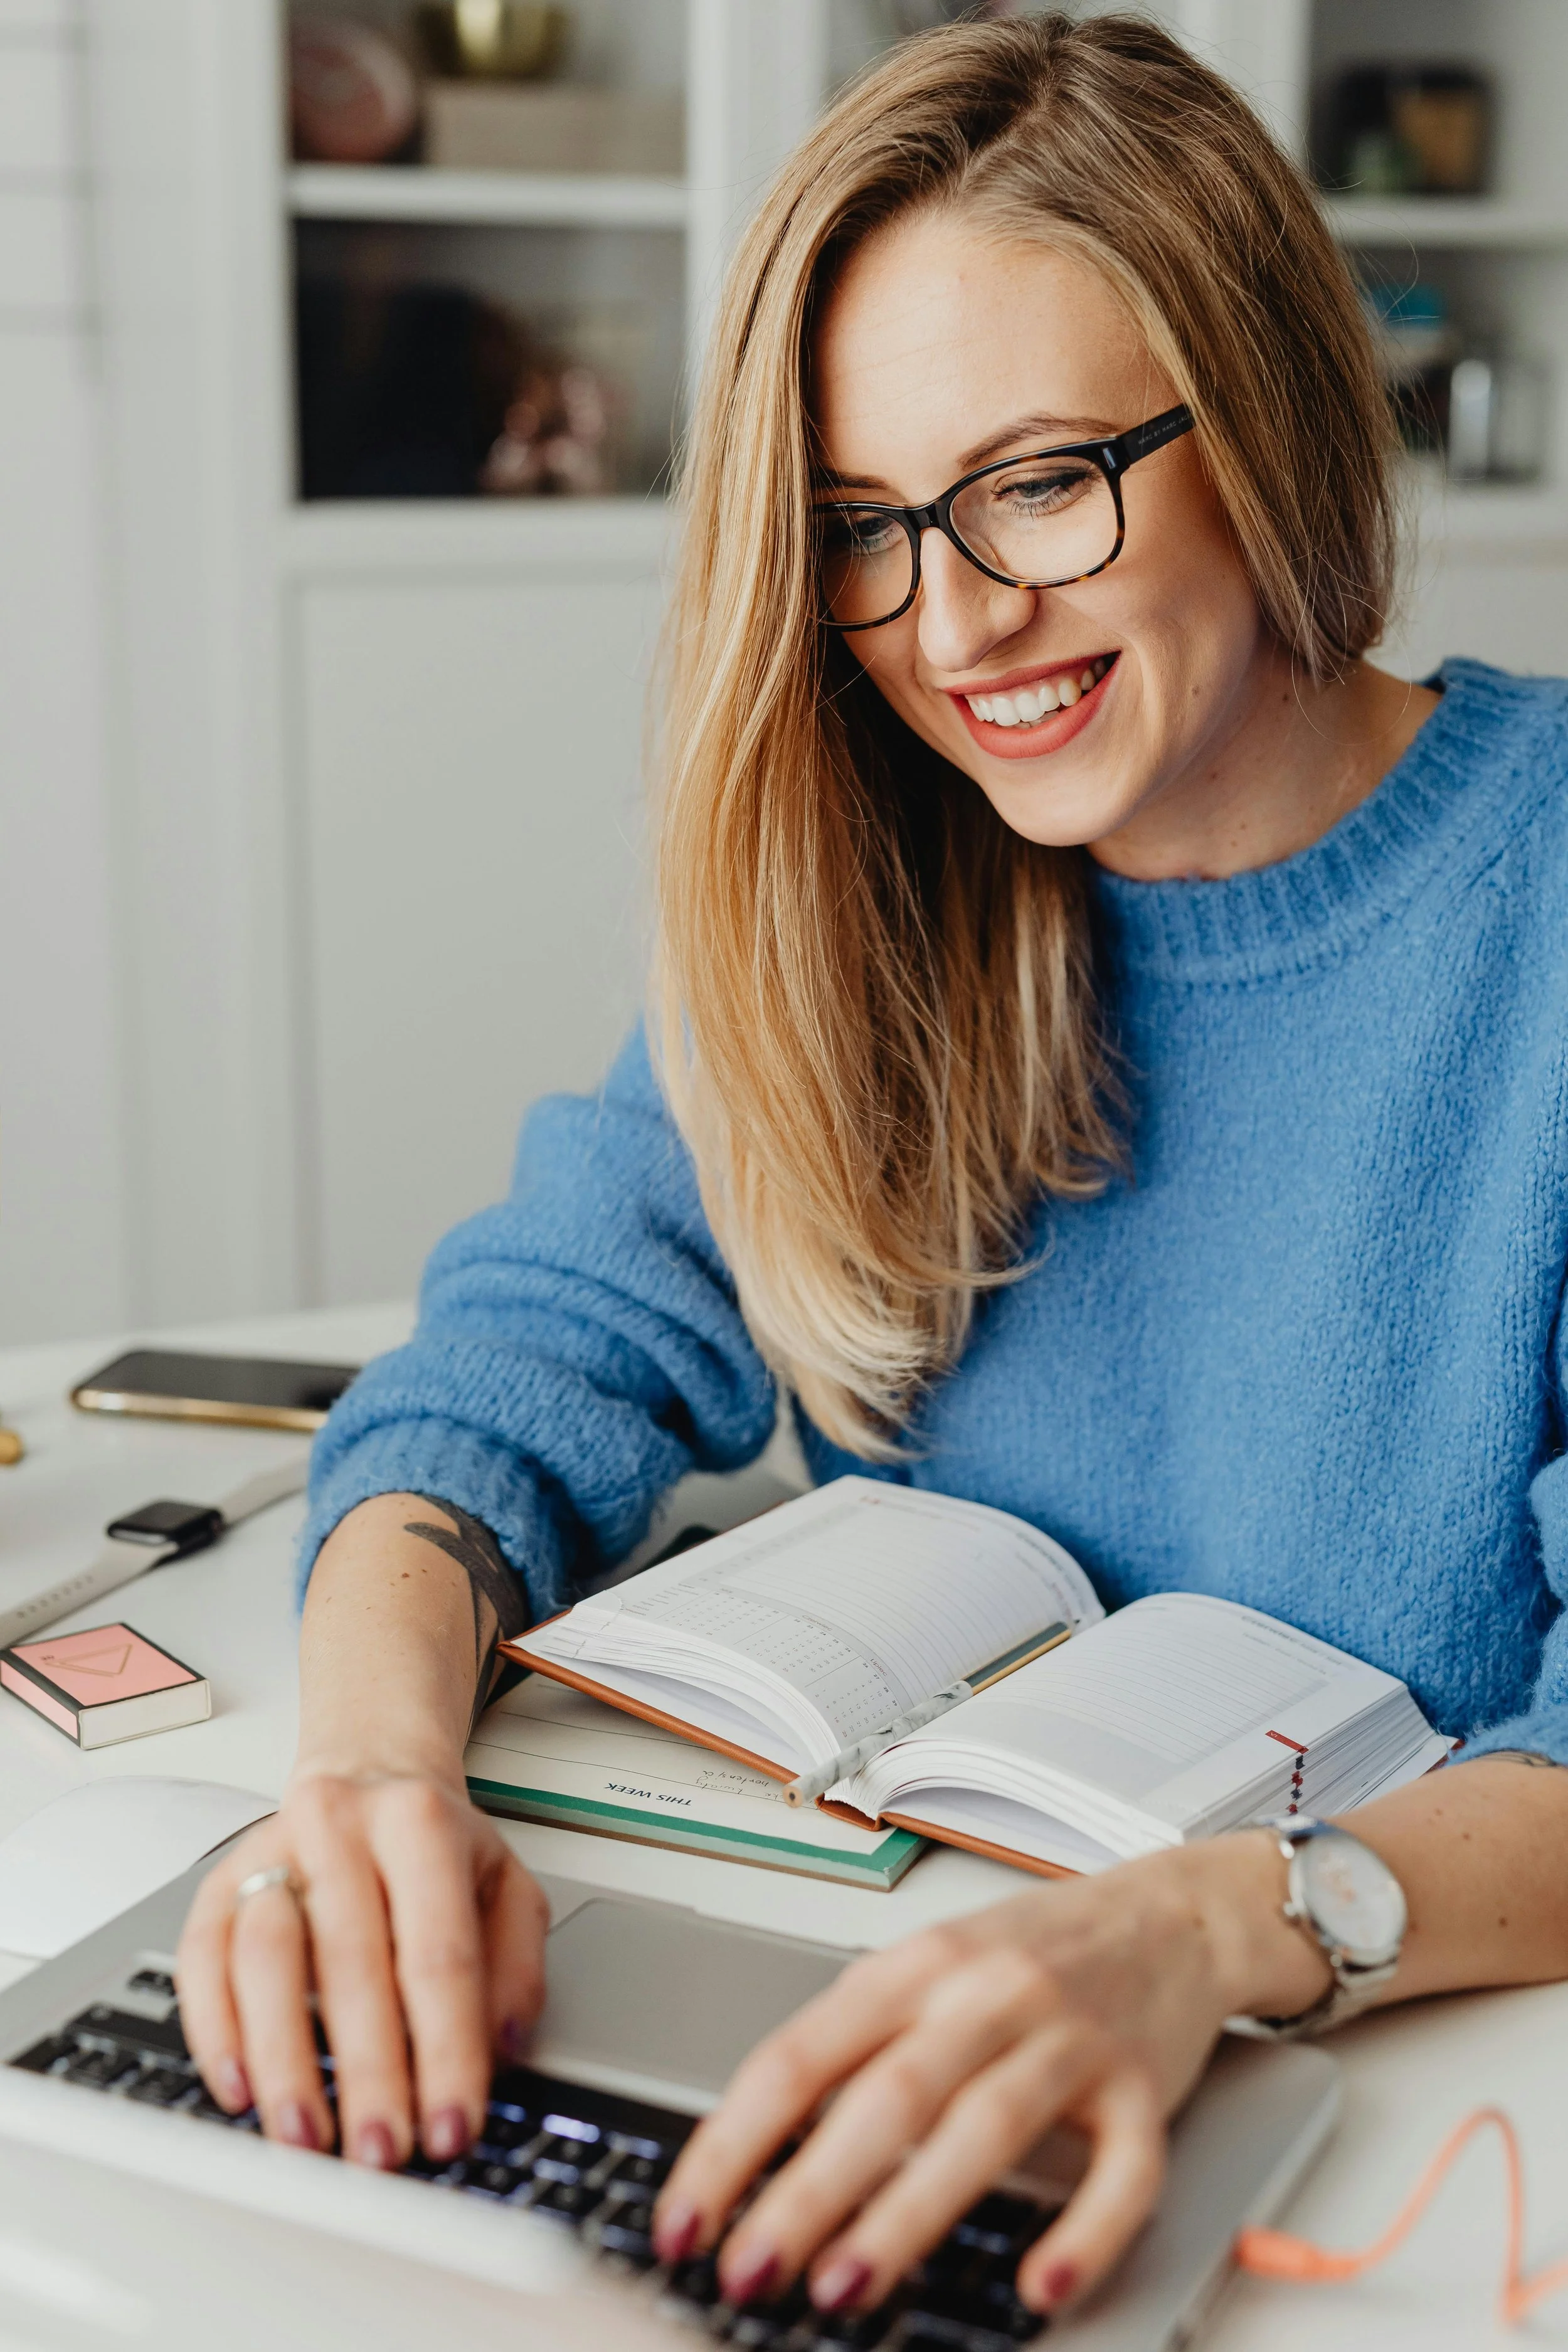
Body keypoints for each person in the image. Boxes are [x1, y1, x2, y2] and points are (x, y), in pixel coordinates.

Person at [177, 11, 1568, 2325]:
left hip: (1400, 2112)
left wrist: (1223, 1922)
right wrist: (365, 1784)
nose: (951, 623)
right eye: (857, 528)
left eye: (1041, 480)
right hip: (857, 2051)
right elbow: (503, 1376)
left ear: (1272, 411)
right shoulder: (869, 886)